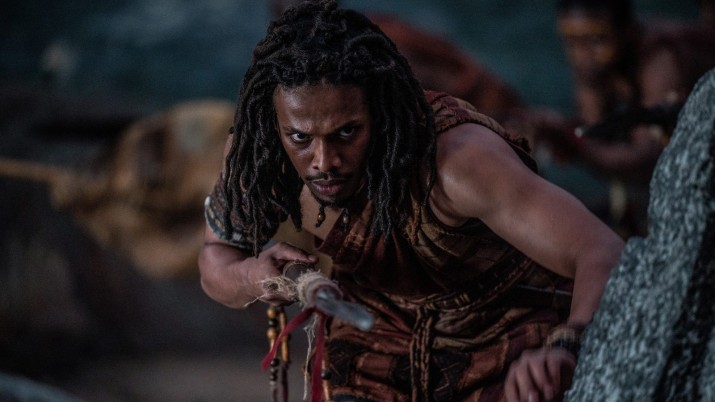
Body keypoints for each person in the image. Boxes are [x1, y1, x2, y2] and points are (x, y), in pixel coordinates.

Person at [198, 1, 624, 401]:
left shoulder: (459, 163)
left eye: (347, 132)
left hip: (508, 336)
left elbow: (600, 250)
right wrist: (253, 277)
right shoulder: (259, 154)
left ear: (379, 115)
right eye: (300, 137)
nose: (324, 162)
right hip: (375, 343)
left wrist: (568, 346)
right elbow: (216, 256)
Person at [549, 0, 715, 237]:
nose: (582, 54)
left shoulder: (659, 61)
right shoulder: (594, 61)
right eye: (572, 42)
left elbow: (646, 159)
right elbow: (595, 132)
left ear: (627, 31)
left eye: (596, 40)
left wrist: (575, 145)